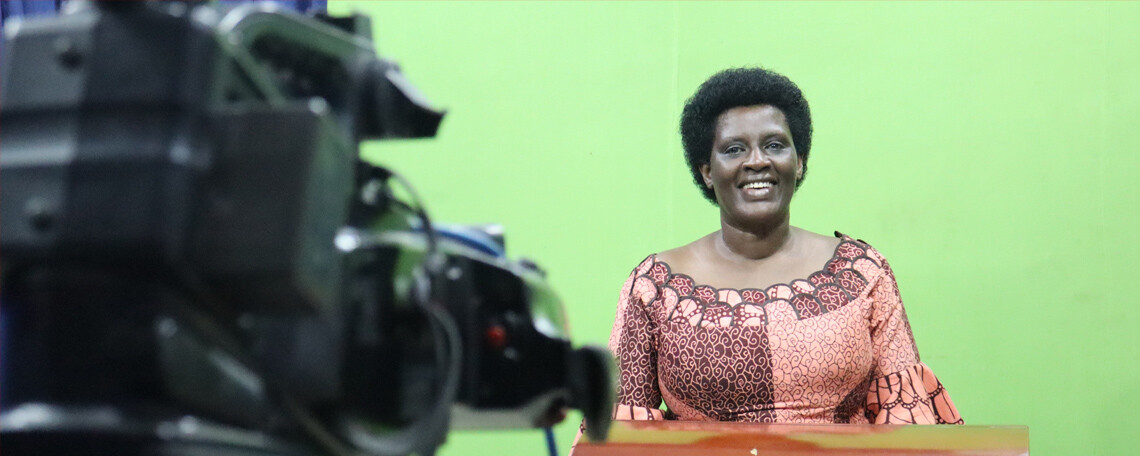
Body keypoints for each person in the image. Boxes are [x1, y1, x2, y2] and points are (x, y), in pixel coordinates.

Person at [609, 67, 962, 424]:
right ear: (707, 171)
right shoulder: (655, 286)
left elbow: (905, 414)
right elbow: (620, 433)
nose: (757, 161)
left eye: (775, 145)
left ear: (800, 161)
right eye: (734, 149)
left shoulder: (862, 272)